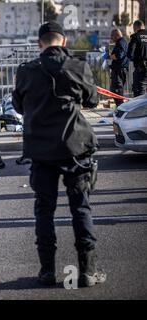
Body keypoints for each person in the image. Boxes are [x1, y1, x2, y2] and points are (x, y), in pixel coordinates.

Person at [12, 22, 107, 288]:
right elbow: (92, 100)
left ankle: (46, 271)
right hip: (75, 148)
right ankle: (87, 271)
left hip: (41, 151)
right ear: (63, 42)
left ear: (40, 43)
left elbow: (18, 106)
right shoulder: (78, 66)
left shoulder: (26, 71)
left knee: (44, 211)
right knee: (81, 208)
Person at [109, 29, 129, 106]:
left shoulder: (121, 42)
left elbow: (118, 55)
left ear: (117, 35)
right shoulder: (121, 42)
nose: (111, 38)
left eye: (112, 36)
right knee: (114, 90)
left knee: (117, 90)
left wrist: (109, 56)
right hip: (118, 69)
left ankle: (120, 108)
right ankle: (119, 107)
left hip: (119, 70)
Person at [127, 20, 147, 97]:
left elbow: (129, 54)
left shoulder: (135, 36)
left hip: (141, 69)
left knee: (139, 94)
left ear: (135, 27)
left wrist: (136, 58)